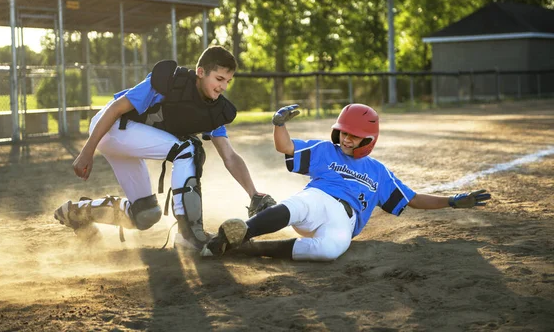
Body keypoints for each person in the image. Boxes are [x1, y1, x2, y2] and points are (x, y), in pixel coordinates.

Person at [201, 103, 491, 261]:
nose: (346, 139)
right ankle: (239, 233)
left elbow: (412, 198)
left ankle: (249, 249)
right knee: (300, 205)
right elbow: (286, 148)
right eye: (343, 132)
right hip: (318, 198)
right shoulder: (326, 150)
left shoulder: (379, 172)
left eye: (353, 136)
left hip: (344, 223)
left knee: (328, 250)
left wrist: (451, 201)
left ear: (369, 140)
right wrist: (279, 124)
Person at [54, 46, 276, 250]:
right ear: (200, 72)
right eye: (219, 78)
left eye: (228, 81)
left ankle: (78, 214)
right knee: (188, 148)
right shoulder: (169, 82)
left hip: (125, 139)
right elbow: (115, 109)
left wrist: (253, 193)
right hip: (111, 127)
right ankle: (189, 234)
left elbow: (229, 156)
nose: (223, 86)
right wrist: (87, 151)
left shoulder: (214, 110)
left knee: (145, 215)